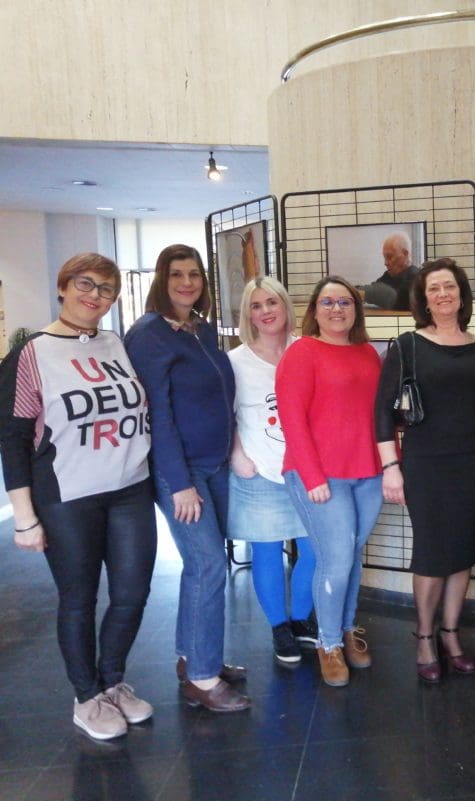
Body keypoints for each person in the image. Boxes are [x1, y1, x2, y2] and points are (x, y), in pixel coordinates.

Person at [0, 253, 156, 740]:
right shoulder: (31, 353)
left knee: (132, 593)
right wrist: (24, 517)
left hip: (130, 488)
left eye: (106, 289)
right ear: (63, 286)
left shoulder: (115, 343)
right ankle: (86, 696)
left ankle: (111, 681)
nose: (95, 295)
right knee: (79, 599)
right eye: (85, 284)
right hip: (67, 496)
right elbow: (13, 439)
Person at [125, 243, 249, 713]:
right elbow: (155, 413)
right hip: (181, 470)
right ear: (162, 279)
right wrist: (179, 483)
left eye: (194, 273)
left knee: (203, 565)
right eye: (176, 274)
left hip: (214, 464)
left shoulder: (200, 328)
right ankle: (202, 677)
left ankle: (192, 656)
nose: (186, 282)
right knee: (209, 565)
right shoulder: (149, 334)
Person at [374, 258, 475, 684]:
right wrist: (391, 467)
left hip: (468, 463)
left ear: (462, 295)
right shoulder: (407, 345)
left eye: (450, 286)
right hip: (424, 465)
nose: (443, 294)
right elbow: (381, 411)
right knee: (430, 553)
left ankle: (450, 634)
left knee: (463, 550)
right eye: (434, 289)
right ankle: (425, 637)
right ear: (424, 300)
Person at [275, 276, 383, 688]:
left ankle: (347, 628)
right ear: (314, 311)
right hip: (320, 475)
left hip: (367, 472)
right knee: (335, 560)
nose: (337, 309)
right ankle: (328, 642)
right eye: (328, 302)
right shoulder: (302, 352)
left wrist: (390, 464)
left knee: (351, 556)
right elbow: (292, 418)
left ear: (355, 309)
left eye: (345, 302)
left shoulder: (367, 353)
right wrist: (312, 476)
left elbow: (378, 414)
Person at [227, 276, 318, 666]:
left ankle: (301, 619)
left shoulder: (306, 350)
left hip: (307, 470)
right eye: (256, 305)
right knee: (266, 551)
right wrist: (237, 456)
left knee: (316, 549)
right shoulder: (235, 362)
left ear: (285, 306)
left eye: (271, 303)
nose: (265, 311)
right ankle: (279, 627)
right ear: (248, 314)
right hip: (259, 471)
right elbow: (224, 414)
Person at [363, 232, 419, 311]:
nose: (385, 263)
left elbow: (394, 300)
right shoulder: (389, 275)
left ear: (405, 254)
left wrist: (357, 294)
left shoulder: (416, 278)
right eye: (385, 257)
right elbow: (373, 288)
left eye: (389, 257)